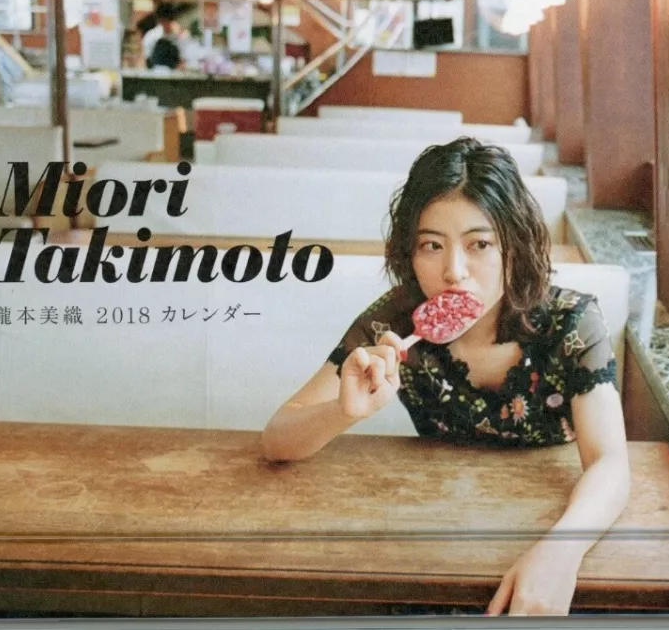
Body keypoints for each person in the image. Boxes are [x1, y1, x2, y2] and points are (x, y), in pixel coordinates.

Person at [261, 137, 631, 616]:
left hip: (553, 527)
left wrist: (561, 553)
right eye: (432, 245)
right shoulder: (395, 323)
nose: (454, 271)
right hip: (436, 541)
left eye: (480, 244)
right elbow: (276, 439)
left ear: (514, 247)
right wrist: (343, 412)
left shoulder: (570, 324)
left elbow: (610, 463)